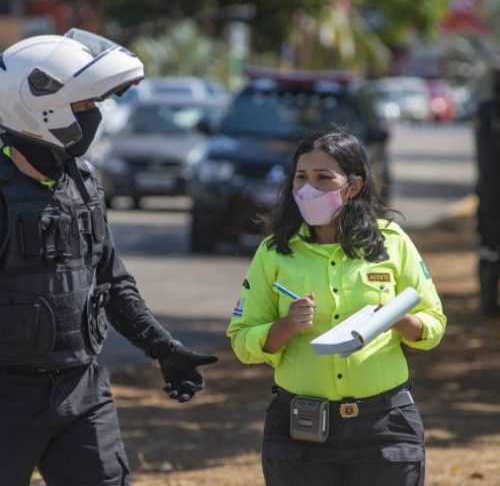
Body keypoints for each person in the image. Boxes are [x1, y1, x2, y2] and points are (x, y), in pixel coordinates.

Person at [0, 29, 217, 485]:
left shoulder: (82, 181)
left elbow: (112, 281)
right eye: (84, 106)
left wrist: (163, 347)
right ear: (41, 107)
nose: (95, 115)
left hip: (82, 389)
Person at [227, 126, 446, 486]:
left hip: (385, 427)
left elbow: (434, 324)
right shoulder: (274, 251)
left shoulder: (391, 242)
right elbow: (241, 339)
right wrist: (285, 326)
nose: (308, 188)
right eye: (301, 177)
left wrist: (397, 318)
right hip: (301, 431)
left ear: (354, 185)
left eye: (323, 177)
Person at [474, 66, 500, 318]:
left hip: (489, 195)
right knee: (490, 248)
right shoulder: (487, 112)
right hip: (491, 196)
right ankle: (488, 301)